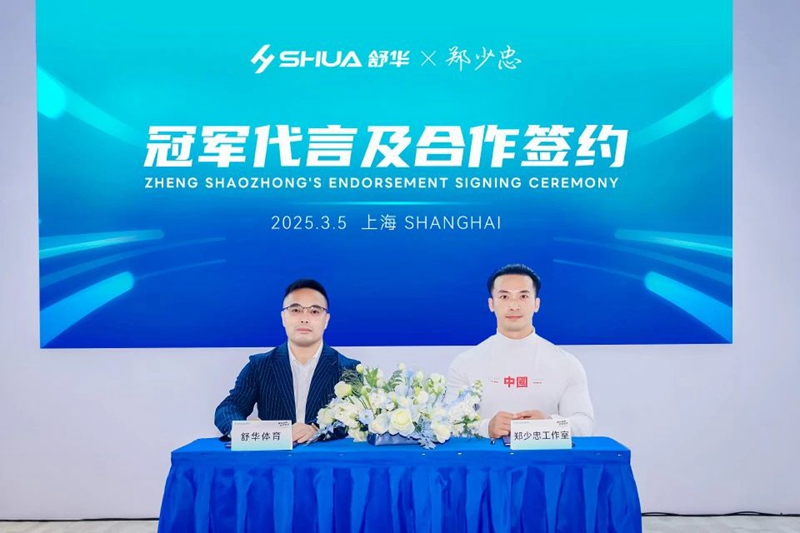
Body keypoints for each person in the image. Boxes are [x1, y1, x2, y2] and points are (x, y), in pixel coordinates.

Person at [446, 264, 594, 438]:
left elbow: (584, 424)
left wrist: (550, 423)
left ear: (536, 304)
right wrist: (486, 428)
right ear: (491, 304)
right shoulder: (465, 363)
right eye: (504, 296)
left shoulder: (566, 363)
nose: (514, 306)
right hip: (486, 456)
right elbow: (447, 423)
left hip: (546, 455)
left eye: (523, 296)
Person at [214, 279, 360, 443]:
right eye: (295, 310)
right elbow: (229, 408)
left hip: (326, 458)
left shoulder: (349, 369)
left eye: (314, 311)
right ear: (283, 317)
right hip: (274, 458)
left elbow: (355, 416)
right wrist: (244, 429)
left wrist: (316, 429)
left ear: (326, 320)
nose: (304, 318)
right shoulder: (259, 366)